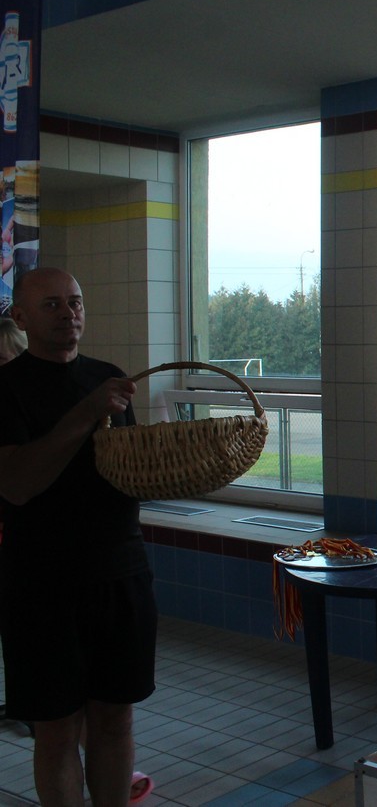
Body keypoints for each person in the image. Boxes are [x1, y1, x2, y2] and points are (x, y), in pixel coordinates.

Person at [0, 268, 157, 806]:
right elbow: (17, 483)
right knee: (57, 729)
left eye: (75, 302)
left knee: (115, 718)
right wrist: (88, 410)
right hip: (41, 583)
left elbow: (128, 469)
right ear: (21, 317)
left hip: (120, 570)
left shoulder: (108, 377)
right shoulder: (6, 388)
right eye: (52, 305)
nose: (69, 313)